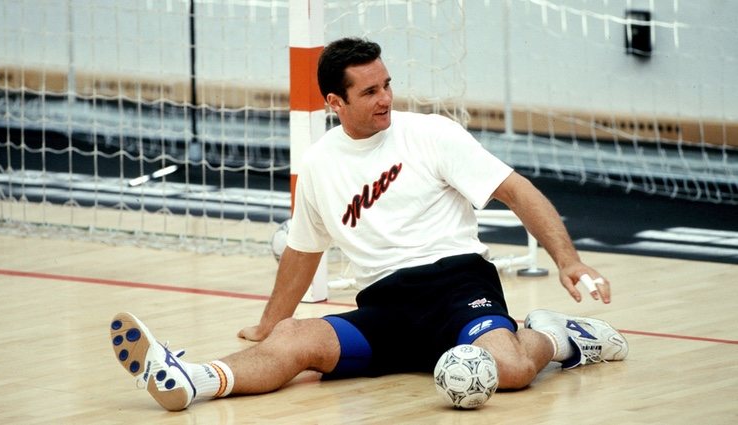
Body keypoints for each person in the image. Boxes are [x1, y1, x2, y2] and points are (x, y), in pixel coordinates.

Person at [109, 37, 628, 412]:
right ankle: (191, 378)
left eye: (387, 85)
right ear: (335, 103)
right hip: (387, 309)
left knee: (511, 370)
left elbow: (516, 190)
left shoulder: (432, 135)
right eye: (369, 92)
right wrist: (271, 323)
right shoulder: (318, 164)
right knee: (292, 342)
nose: (385, 99)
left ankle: (557, 337)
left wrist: (569, 259)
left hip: (457, 286)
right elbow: (302, 249)